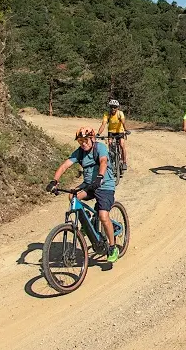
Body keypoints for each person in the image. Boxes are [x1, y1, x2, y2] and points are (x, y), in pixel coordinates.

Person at [46, 126, 119, 263]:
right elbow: (64, 166)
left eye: (85, 140)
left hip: (105, 185)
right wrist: (54, 181)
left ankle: (112, 247)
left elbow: (103, 161)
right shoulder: (79, 152)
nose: (83, 144)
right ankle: (87, 222)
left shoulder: (100, 147)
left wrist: (100, 177)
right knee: (72, 196)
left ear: (92, 139)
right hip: (88, 184)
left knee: (103, 216)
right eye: (80, 141)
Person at [97, 99, 129, 171]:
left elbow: (123, 122)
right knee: (110, 145)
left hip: (120, 131)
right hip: (111, 132)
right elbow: (103, 124)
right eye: (111, 107)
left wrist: (126, 130)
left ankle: (124, 162)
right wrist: (98, 133)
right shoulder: (107, 114)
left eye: (115, 107)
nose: (113, 109)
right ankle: (112, 160)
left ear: (117, 108)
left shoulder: (120, 113)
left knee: (121, 144)